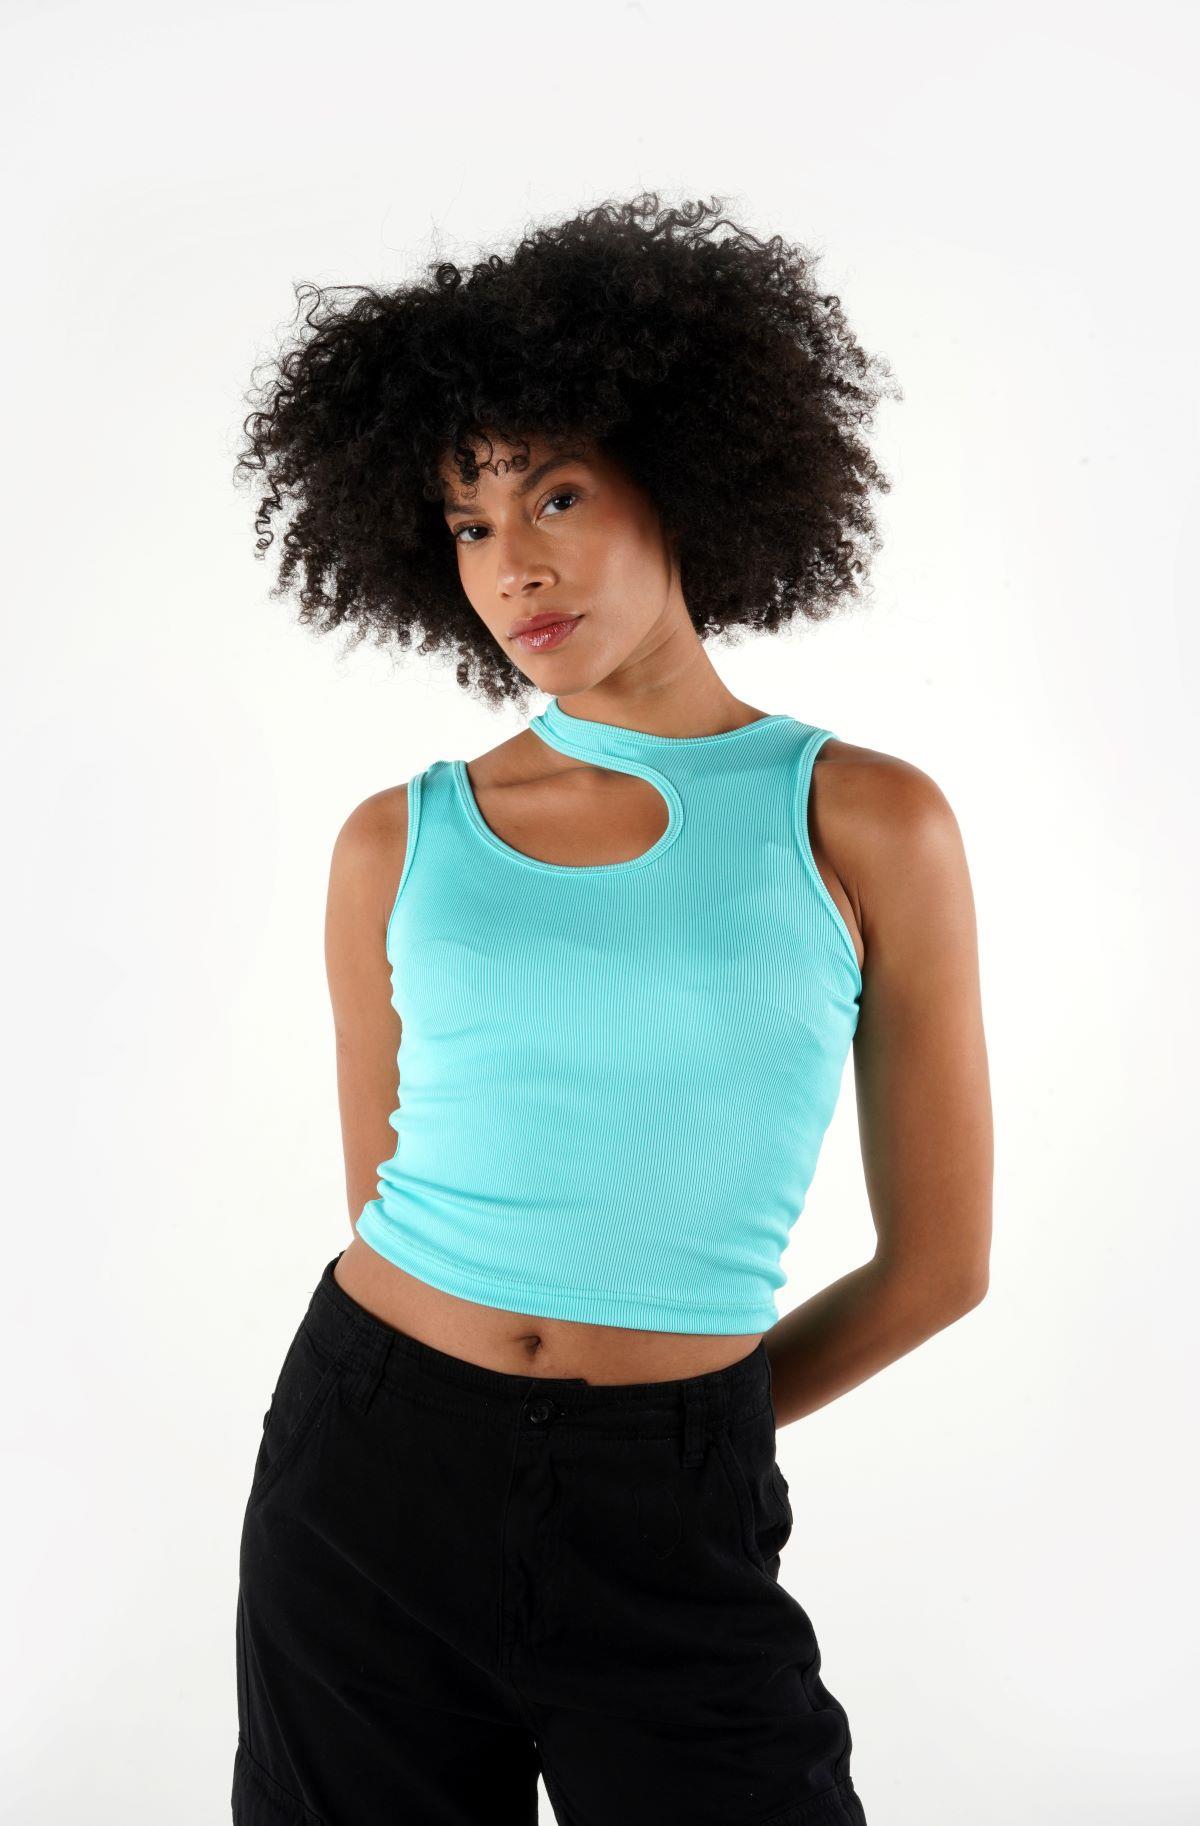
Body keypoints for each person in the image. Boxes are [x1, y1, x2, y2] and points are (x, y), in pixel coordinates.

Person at [229, 192, 992, 1826]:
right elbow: (385, 1196)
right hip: (366, 1473)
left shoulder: (868, 821)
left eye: (556, 493)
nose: (514, 564)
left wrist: (681, 1432)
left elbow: (941, 1266)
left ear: (685, 476)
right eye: (469, 523)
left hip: (672, 1507)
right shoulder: (396, 840)